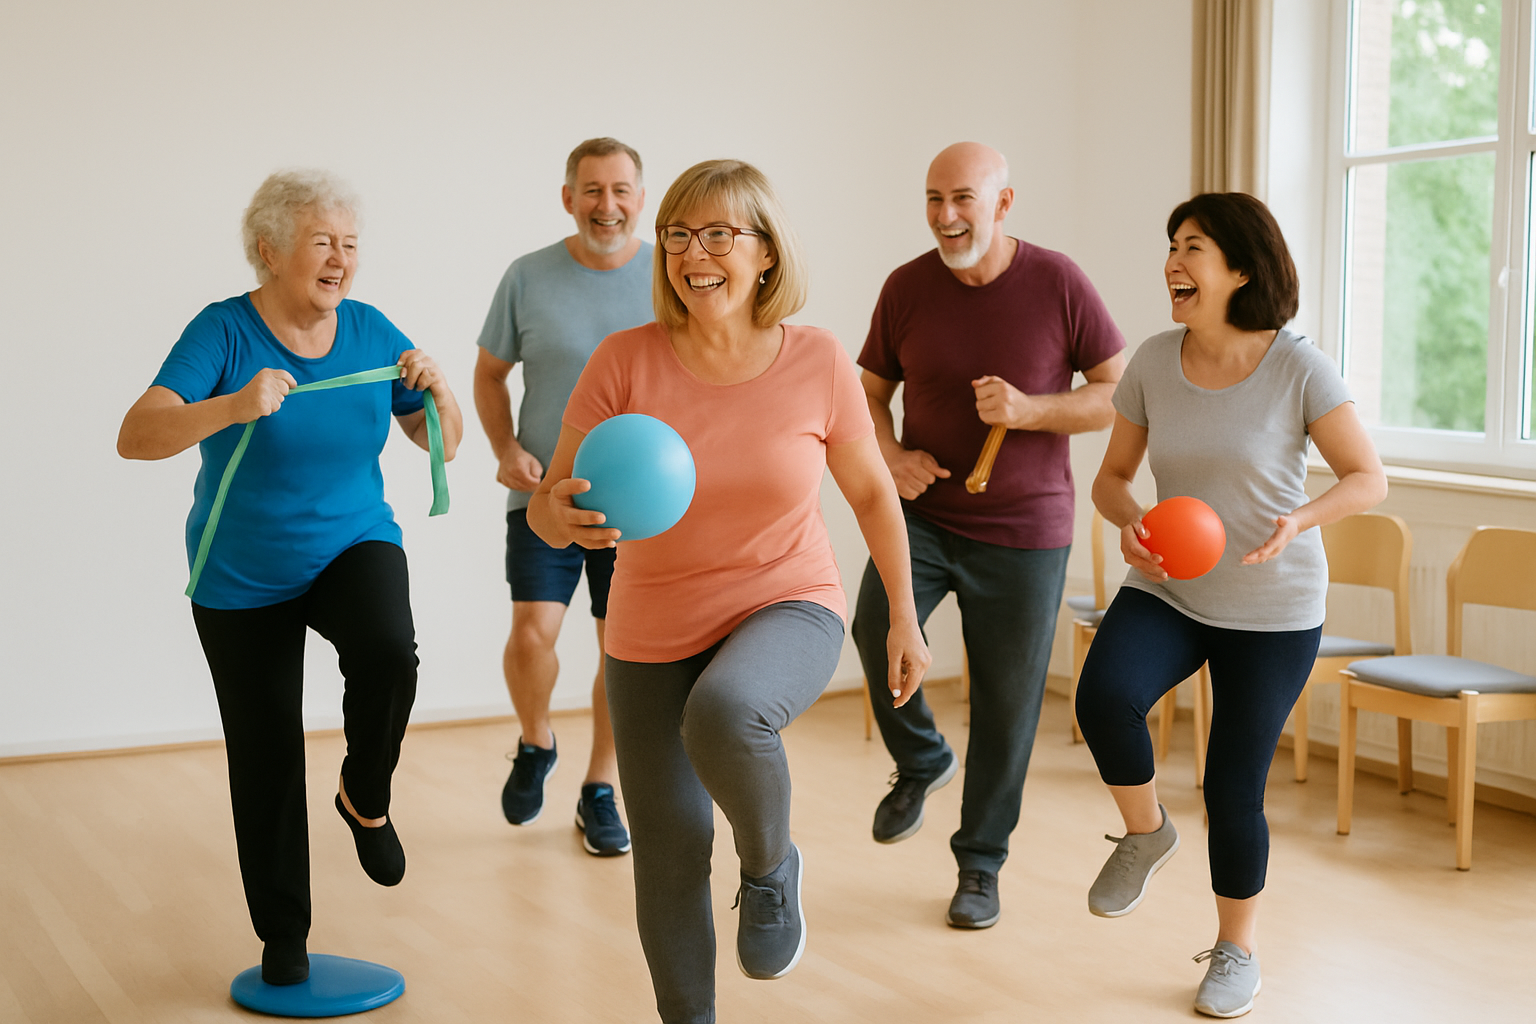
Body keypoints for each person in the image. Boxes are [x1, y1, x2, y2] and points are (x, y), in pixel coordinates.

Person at [528, 159, 930, 1024]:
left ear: (765, 252)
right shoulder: (623, 361)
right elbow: (545, 510)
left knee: (728, 710)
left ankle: (770, 868)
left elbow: (870, 493)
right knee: (669, 849)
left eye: (718, 234)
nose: (693, 254)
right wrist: (563, 516)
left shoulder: (817, 359)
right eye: (677, 235)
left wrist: (903, 612)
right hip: (650, 625)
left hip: (789, 599)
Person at [116, 170, 464, 986]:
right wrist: (232, 406)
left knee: (388, 651)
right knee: (266, 753)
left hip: (351, 541)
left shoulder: (372, 331)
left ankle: (365, 794)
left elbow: (438, 442)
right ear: (268, 250)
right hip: (242, 571)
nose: (341, 259)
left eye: (350, 244)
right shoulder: (224, 332)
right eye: (322, 242)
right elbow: (136, 435)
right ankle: (284, 934)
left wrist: (441, 393)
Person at [1075, 192, 1386, 1018]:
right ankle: (1146, 832)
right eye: (1172, 246)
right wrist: (1130, 521)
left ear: (1241, 269)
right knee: (1104, 697)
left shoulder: (1298, 367)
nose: (1173, 262)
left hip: (1273, 606)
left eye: (1194, 248)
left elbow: (1368, 478)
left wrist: (1301, 520)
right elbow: (1111, 479)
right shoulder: (1152, 361)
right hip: (1171, 586)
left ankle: (1235, 950)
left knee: (1231, 784)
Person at [852, 141, 1126, 929]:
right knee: (872, 627)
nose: (946, 216)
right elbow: (867, 394)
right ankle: (922, 758)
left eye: (963, 198)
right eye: (933, 199)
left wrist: (1033, 410)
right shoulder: (906, 287)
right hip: (925, 518)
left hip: (1026, 531)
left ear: (1002, 204)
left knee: (1006, 706)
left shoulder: (1059, 281)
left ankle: (980, 864)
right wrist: (890, 454)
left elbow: (1114, 392)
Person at [473, 137, 651, 856]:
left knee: (620, 648)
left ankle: (600, 788)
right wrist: (505, 449)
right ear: (568, 198)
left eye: (620, 190)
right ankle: (536, 740)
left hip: (635, 505)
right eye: (592, 190)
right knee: (531, 635)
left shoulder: (670, 278)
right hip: (544, 494)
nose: (606, 205)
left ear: (640, 198)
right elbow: (489, 374)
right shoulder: (527, 276)